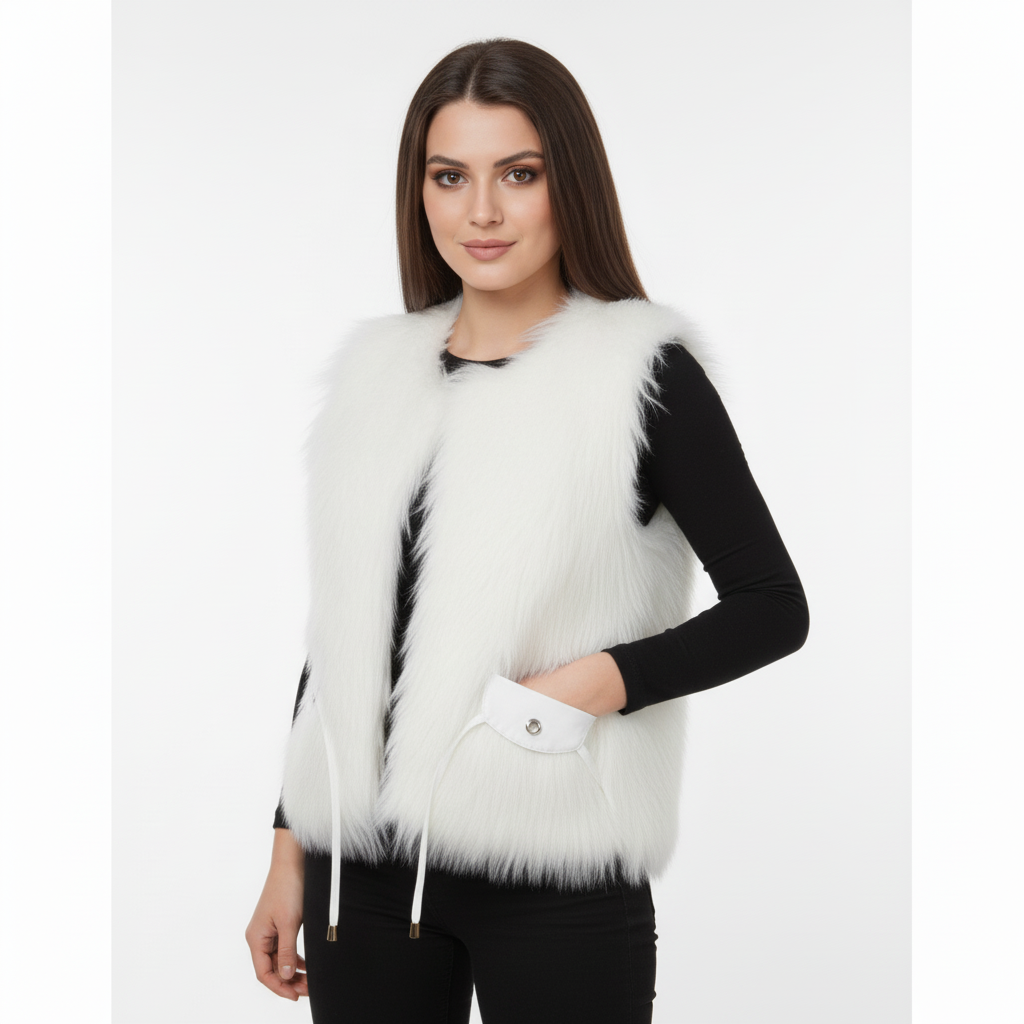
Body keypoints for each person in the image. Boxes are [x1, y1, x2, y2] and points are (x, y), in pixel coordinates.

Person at [245, 37, 808, 1024]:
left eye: (519, 173)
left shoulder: (640, 375)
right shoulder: (376, 379)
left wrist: (588, 685)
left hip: (556, 864)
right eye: (449, 176)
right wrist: (289, 847)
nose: (482, 212)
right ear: (419, 191)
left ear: (569, 183)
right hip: (360, 877)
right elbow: (346, 632)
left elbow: (772, 606)